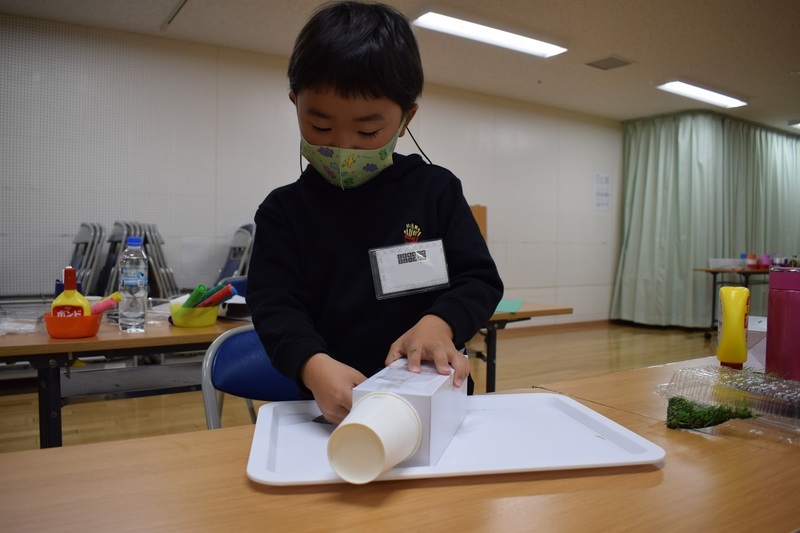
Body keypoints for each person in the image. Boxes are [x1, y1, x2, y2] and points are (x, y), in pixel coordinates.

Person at [246, 1, 503, 425]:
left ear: (406, 119)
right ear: (295, 104)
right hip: (335, 409)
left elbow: (478, 279)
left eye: (368, 131)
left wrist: (440, 323)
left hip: (434, 399)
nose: (343, 146)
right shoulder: (283, 212)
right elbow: (275, 306)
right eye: (321, 127)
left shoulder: (435, 190)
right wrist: (312, 365)